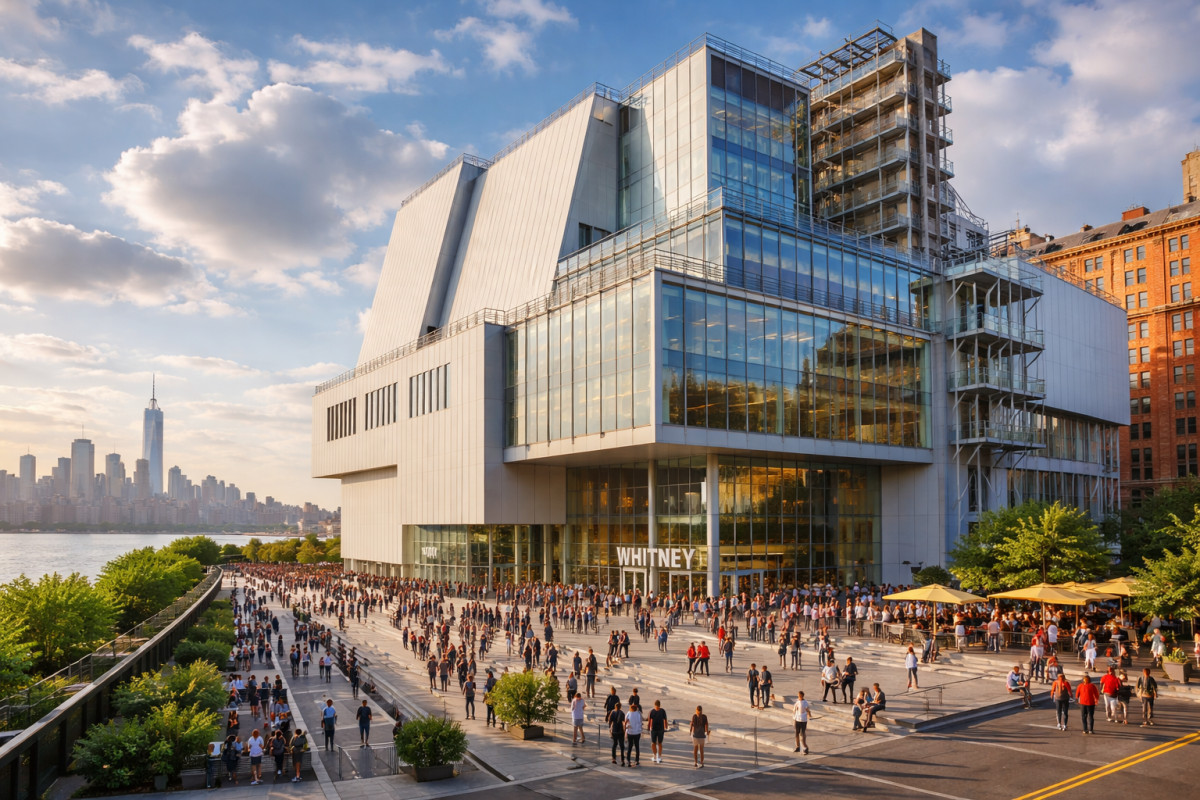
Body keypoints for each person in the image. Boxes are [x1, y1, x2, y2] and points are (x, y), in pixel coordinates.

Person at [648, 700, 668, 764]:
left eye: (658, 707)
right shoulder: (652, 711)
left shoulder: (662, 711)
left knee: (660, 743)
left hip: (660, 729)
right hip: (654, 729)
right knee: (653, 743)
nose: (657, 708)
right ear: (655, 706)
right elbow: (650, 720)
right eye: (656, 707)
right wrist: (649, 727)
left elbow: (665, 719)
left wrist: (666, 726)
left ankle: (659, 756)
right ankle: (655, 755)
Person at [609, 700, 627, 766]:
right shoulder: (622, 713)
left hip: (614, 730)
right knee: (622, 745)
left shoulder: (612, 712)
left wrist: (610, 729)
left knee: (614, 744)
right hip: (620, 730)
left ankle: (613, 758)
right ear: (620, 707)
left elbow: (610, 721)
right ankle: (622, 759)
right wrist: (625, 730)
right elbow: (624, 723)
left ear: (615, 706)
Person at [624, 702, 643, 766]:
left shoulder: (629, 713)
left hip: (630, 732)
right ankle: (637, 760)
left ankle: (628, 760)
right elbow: (641, 721)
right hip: (637, 732)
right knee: (637, 746)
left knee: (630, 746)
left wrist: (625, 729)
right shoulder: (639, 713)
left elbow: (625, 722)